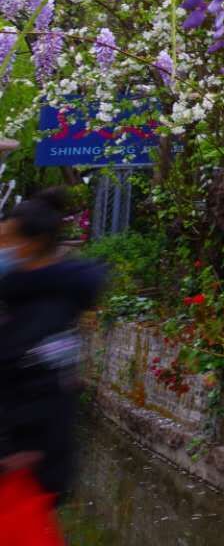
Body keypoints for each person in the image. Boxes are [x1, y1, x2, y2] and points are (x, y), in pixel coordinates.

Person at [0, 188, 107, 506]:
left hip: (24, 472)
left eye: (6, 240)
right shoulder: (28, 297)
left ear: (30, 245)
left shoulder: (42, 313)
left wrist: (11, 451)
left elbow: (45, 391)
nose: (1, 248)